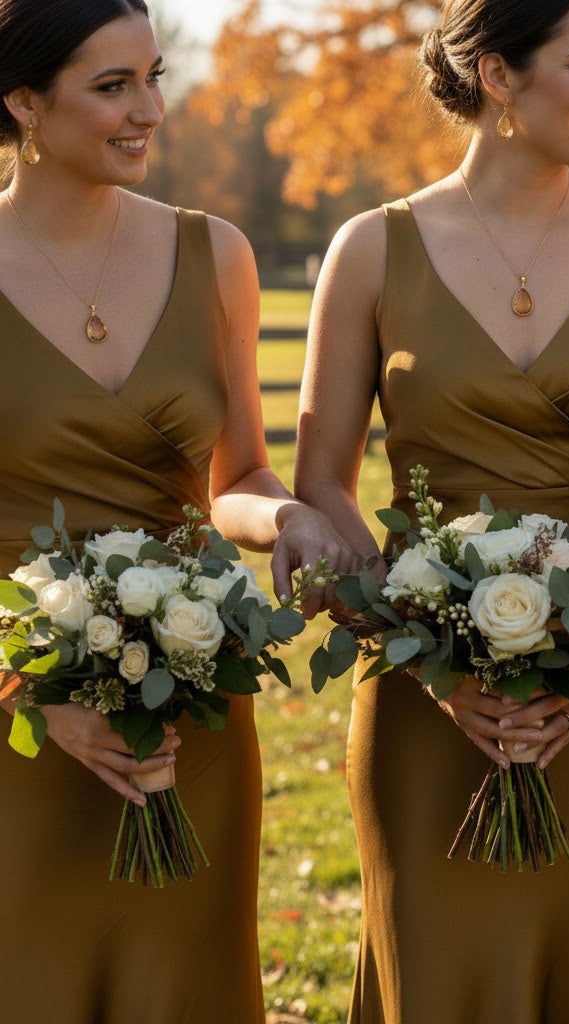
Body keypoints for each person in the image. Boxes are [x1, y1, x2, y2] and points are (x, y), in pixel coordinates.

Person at [286, 0, 569, 1018]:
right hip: (425, 696)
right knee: (435, 970)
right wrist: (422, 653)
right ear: (497, 75)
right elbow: (323, 488)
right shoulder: (369, 249)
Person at [0, 2, 337, 1021]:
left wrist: (284, 521)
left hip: (188, 708)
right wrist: (32, 691)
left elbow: (235, 475)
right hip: (20, 715)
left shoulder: (215, 254)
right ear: (22, 101)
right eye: (112, 87)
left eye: (153, 77)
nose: (151, 108)